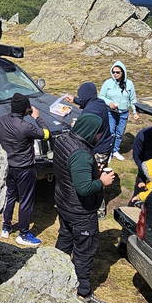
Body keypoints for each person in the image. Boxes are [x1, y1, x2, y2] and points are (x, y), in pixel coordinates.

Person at [52, 113, 116, 303]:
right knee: (84, 251)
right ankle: (83, 292)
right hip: (80, 211)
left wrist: (91, 170)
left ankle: (54, 274)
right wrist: (102, 181)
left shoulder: (64, 140)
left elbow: (70, 171)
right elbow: (84, 188)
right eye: (99, 133)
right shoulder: (81, 154)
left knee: (65, 239)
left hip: (63, 202)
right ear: (92, 132)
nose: (100, 137)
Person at [0, 93, 49, 247]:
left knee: (10, 196)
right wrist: (37, 117)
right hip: (25, 168)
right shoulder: (26, 127)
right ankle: (23, 233)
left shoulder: (1, 121)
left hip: (8, 166)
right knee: (25, 200)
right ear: (26, 109)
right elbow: (46, 134)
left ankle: (6, 227)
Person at [63, 82, 114, 217]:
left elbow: (85, 130)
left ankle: (99, 210)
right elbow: (87, 101)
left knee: (96, 178)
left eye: (80, 96)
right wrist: (74, 100)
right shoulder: (99, 102)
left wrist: (75, 125)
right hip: (106, 144)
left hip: (99, 149)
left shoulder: (91, 111)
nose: (80, 98)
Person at [99, 61, 139, 161]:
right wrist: (109, 103)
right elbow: (101, 96)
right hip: (111, 112)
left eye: (117, 72)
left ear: (123, 72)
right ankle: (108, 151)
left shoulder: (129, 84)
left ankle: (115, 150)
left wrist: (135, 112)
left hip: (124, 113)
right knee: (111, 132)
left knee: (119, 133)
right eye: (113, 72)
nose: (115, 74)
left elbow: (133, 99)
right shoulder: (108, 83)